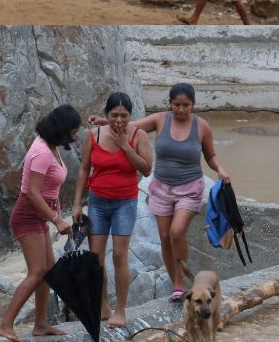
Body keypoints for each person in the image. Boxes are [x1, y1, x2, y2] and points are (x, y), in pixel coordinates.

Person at [89, 83, 230, 302]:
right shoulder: (160, 119)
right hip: (162, 186)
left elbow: (210, 156)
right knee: (164, 237)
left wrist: (220, 169)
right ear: (170, 104)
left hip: (190, 187)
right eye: (176, 105)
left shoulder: (201, 126)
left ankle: (182, 281)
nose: (181, 109)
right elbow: (131, 125)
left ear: (193, 105)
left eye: (186, 105)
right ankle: (176, 285)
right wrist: (105, 122)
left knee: (176, 232)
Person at [0, 105, 81, 342]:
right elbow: (32, 193)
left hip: (39, 215)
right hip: (27, 215)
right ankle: (5, 325)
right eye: (72, 131)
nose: (74, 136)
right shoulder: (42, 151)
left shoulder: (51, 147)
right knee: (37, 272)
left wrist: (55, 215)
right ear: (61, 129)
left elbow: (49, 190)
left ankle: (40, 323)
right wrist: (57, 219)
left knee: (49, 271)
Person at [72, 92, 153, 328]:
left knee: (119, 255)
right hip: (97, 202)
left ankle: (120, 310)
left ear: (130, 116)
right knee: (95, 258)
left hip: (124, 203)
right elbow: (84, 170)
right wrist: (77, 203)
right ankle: (104, 306)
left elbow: (146, 170)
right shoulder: (94, 134)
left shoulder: (138, 136)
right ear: (107, 115)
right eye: (114, 115)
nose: (119, 120)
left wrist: (124, 147)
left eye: (124, 116)